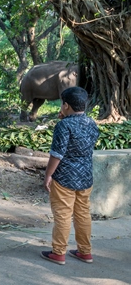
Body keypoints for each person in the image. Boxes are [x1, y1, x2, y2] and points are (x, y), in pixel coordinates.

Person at [40, 86, 99, 265]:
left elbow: (57, 154)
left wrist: (48, 175)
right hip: (85, 177)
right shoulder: (91, 123)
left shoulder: (63, 125)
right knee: (83, 214)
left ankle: (58, 253)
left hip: (64, 178)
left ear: (65, 105)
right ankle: (85, 252)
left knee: (63, 215)